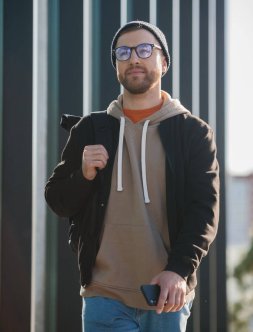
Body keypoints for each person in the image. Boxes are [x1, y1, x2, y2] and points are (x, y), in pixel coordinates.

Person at [45, 20, 220, 332]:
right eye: (123, 52)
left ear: (164, 62)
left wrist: (178, 271)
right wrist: (84, 175)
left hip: (166, 295)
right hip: (103, 293)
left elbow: (204, 210)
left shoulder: (192, 132)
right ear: (116, 66)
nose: (134, 59)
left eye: (144, 49)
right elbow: (58, 200)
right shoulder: (90, 128)